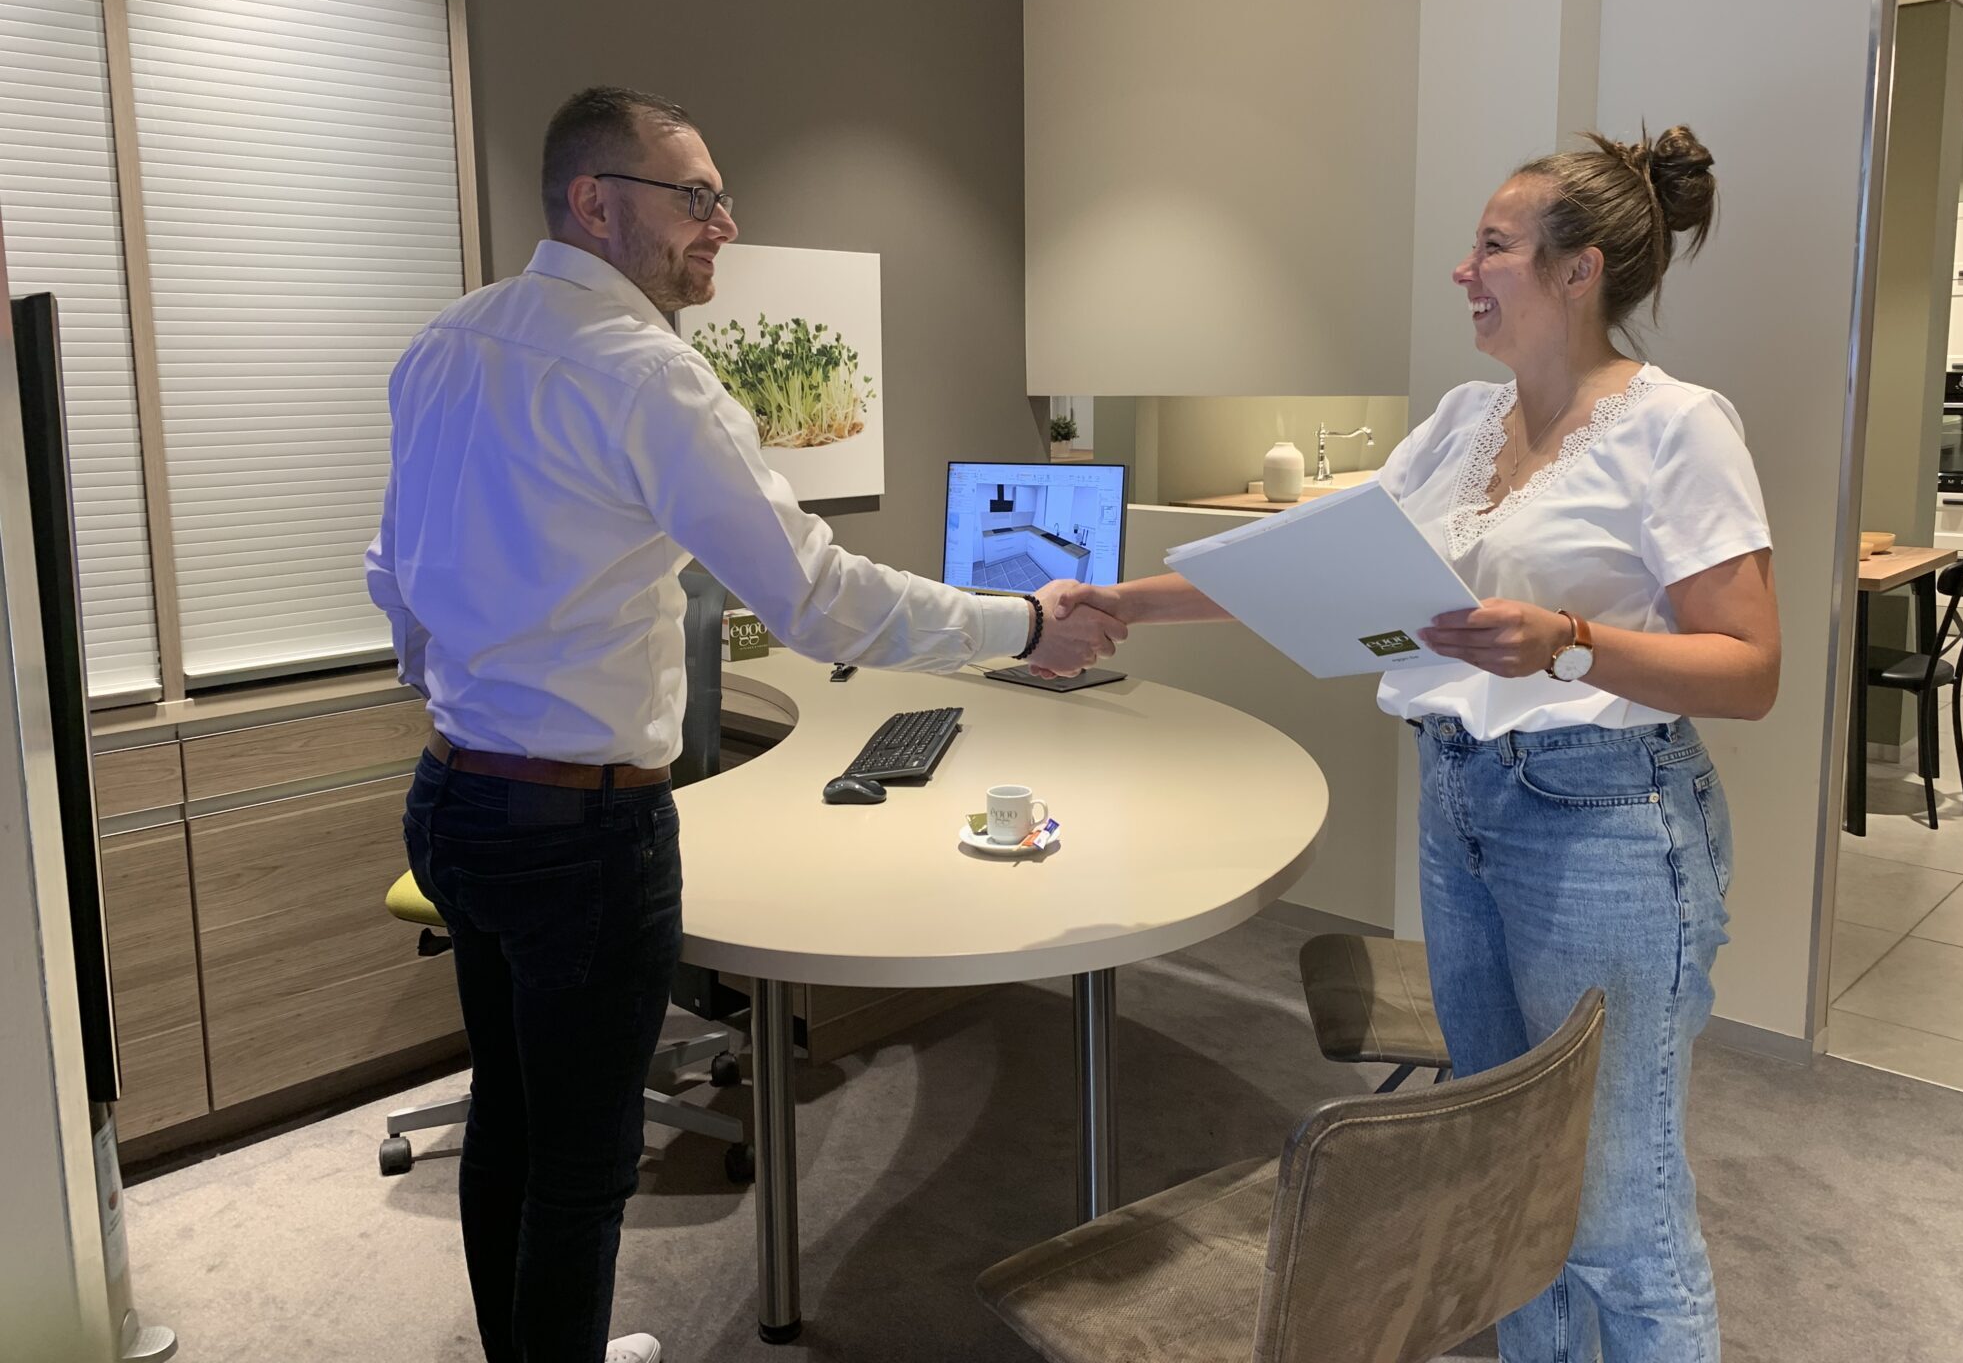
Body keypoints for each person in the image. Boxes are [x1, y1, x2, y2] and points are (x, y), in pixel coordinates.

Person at [365, 85, 1124, 1363]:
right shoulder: (645, 374)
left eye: (722, 198)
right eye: (695, 197)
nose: (723, 223)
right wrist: (1020, 622)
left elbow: (391, 570)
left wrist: (461, 695)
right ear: (593, 201)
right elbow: (817, 598)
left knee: (512, 1121)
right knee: (580, 1169)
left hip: (453, 798)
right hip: (578, 832)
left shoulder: (449, 340)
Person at [1049, 126, 1779, 1363]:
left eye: (1491, 245)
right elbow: (1305, 568)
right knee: (1499, 1173)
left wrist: (1565, 641)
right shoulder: (1460, 423)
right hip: (1461, 805)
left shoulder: (1676, 426)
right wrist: (1122, 602)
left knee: (1614, 1204)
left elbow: (1748, 671)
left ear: (1576, 271)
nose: (1461, 269)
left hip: (1604, 824)